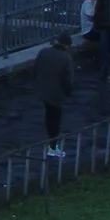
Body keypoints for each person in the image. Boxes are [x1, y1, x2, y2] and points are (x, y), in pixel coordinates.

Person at [37, 29, 75, 163]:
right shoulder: (66, 58)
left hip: (43, 91)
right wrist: (69, 93)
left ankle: (50, 142)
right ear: (67, 45)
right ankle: (52, 147)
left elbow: (36, 69)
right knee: (55, 120)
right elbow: (67, 80)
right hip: (56, 94)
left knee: (48, 116)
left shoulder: (43, 52)